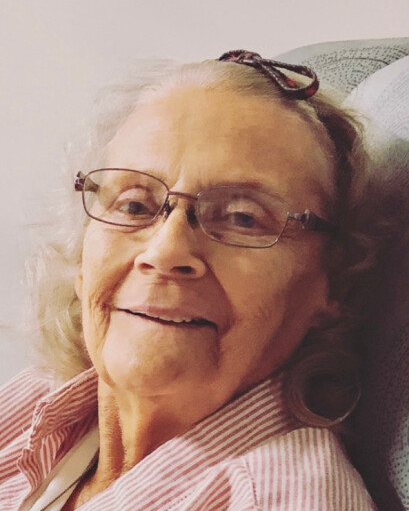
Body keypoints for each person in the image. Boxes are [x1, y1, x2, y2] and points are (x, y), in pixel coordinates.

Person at [0, 50, 380, 510]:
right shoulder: (43, 402)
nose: (165, 252)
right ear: (83, 256)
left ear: (331, 283)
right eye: (134, 205)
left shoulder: (282, 500)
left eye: (242, 217)